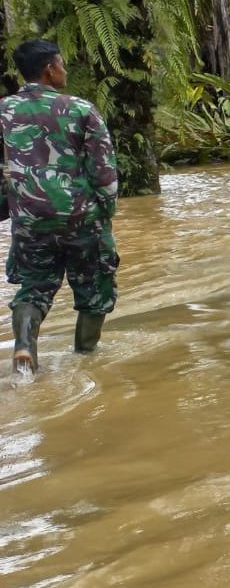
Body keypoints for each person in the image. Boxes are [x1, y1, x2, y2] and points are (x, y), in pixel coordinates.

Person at [1, 40, 119, 374]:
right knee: (96, 290)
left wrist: (12, 207)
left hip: (29, 220)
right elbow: (105, 173)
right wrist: (105, 213)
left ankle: (24, 348)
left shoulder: (3, 111)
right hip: (82, 219)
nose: (65, 70)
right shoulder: (81, 110)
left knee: (34, 289)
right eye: (62, 64)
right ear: (50, 69)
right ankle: (86, 359)